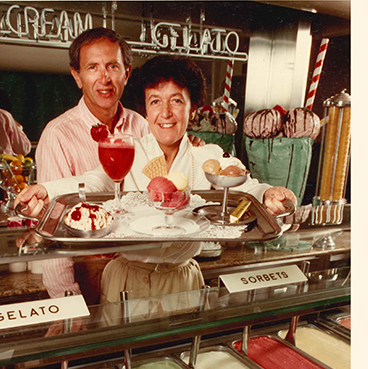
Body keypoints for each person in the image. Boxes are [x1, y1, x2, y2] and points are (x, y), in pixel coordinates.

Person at [16, 55, 297, 304]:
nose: (165, 113)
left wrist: (269, 193)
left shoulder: (208, 156)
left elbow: (245, 184)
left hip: (183, 278)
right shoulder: (129, 151)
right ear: (145, 109)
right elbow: (95, 181)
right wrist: (46, 190)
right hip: (126, 279)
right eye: (155, 101)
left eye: (176, 100)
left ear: (193, 107)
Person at [35, 28, 203, 300]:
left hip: (142, 265)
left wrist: (188, 144)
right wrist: (66, 299)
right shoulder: (58, 134)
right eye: (92, 67)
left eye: (113, 66)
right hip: (85, 269)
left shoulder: (144, 125)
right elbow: (54, 228)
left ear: (126, 72)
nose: (104, 78)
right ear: (77, 76)